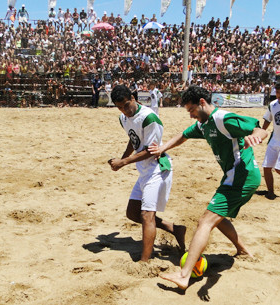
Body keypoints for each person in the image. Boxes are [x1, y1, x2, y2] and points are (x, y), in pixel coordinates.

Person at [150, 86, 267, 290]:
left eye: (192, 109)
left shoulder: (223, 119)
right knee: (217, 219)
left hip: (242, 176)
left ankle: (184, 275)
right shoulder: (203, 124)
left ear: (202, 102)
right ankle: (242, 250)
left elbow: (260, 128)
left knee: (205, 220)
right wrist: (163, 148)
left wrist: (255, 136)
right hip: (233, 176)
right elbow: (183, 135)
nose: (191, 114)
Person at [108, 85, 185, 262]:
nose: (124, 110)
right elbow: (133, 139)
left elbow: (153, 151)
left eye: (126, 105)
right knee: (132, 213)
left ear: (133, 98)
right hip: (144, 171)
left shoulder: (149, 118)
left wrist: (124, 162)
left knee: (146, 215)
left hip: (158, 169)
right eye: (119, 107)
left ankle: (145, 261)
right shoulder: (123, 118)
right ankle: (175, 229)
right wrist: (122, 159)